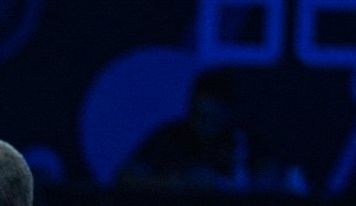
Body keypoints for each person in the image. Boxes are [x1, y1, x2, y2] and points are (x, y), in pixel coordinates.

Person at [118, 71, 291, 194]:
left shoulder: (243, 137)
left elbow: (275, 178)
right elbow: (125, 179)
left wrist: (223, 184)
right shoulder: (171, 135)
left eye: (212, 118)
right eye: (199, 116)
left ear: (228, 111)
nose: (204, 125)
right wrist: (176, 182)